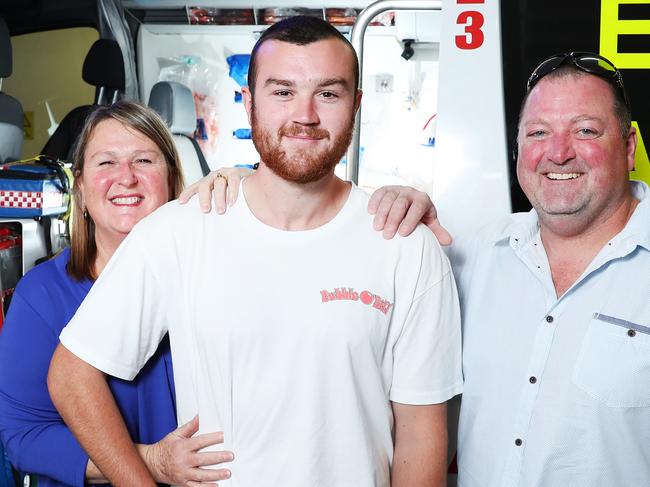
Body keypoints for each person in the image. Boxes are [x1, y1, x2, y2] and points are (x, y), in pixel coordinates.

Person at [48, 16, 462, 487]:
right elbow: (71, 374)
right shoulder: (180, 231)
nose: (304, 115)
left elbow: (420, 430)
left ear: (356, 105)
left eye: (328, 93)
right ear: (250, 104)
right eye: (282, 92)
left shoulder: (404, 244)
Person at [367, 52, 649, 486]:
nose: (557, 153)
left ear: (629, 146)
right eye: (538, 132)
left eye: (585, 130)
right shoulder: (469, 255)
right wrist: (244, 188)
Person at [0, 101, 235, 486]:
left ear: (173, 179)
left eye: (144, 161)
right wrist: (150, 462)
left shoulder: (211, 277)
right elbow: (25, 437)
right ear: (80, 185)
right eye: (106, 163)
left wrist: (246, 183)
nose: (125, 178)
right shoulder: (41, 296)